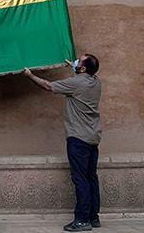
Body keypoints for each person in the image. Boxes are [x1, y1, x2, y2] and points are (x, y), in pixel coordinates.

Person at [22, 54, 101, 232]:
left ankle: (82, 220)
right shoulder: (96, 82)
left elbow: (48, 86)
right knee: (91, 178)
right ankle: (93, 217)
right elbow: (81, 79)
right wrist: (74, 68)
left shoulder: (76, 83)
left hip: (78, 138)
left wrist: (30, 75)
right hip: (92, 137)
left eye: (79, 61)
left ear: (82, 69)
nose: (76, 62)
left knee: (80, 179)